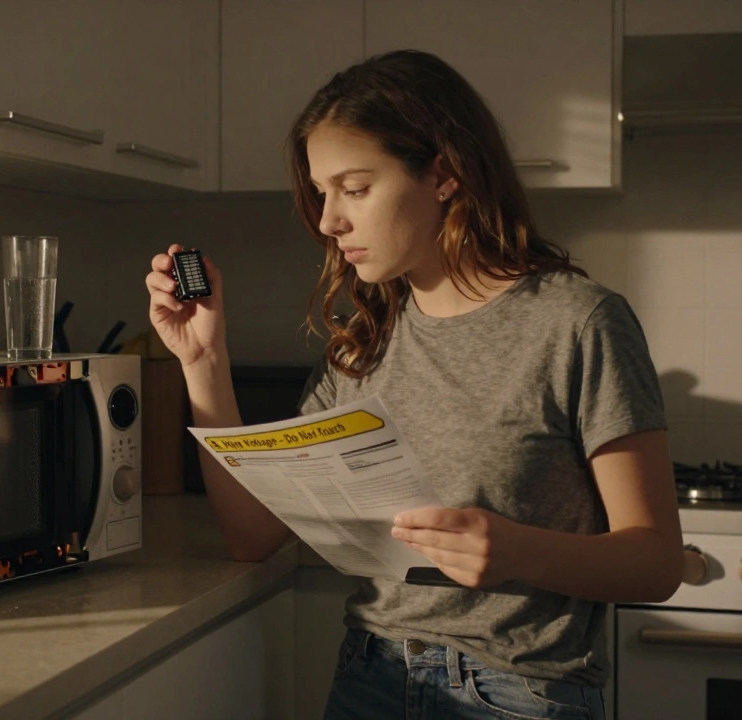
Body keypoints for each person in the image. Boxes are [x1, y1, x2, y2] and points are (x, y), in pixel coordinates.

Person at [144, 49, 682, 720]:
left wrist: (520, 551)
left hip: (517, 695)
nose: (328, 220)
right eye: (321, 192)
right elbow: (252, 536)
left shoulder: (578, 323)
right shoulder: (363, 340)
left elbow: (657, 562)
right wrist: (203, 359)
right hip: (369, 678)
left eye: (354, 188)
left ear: (444, 174)